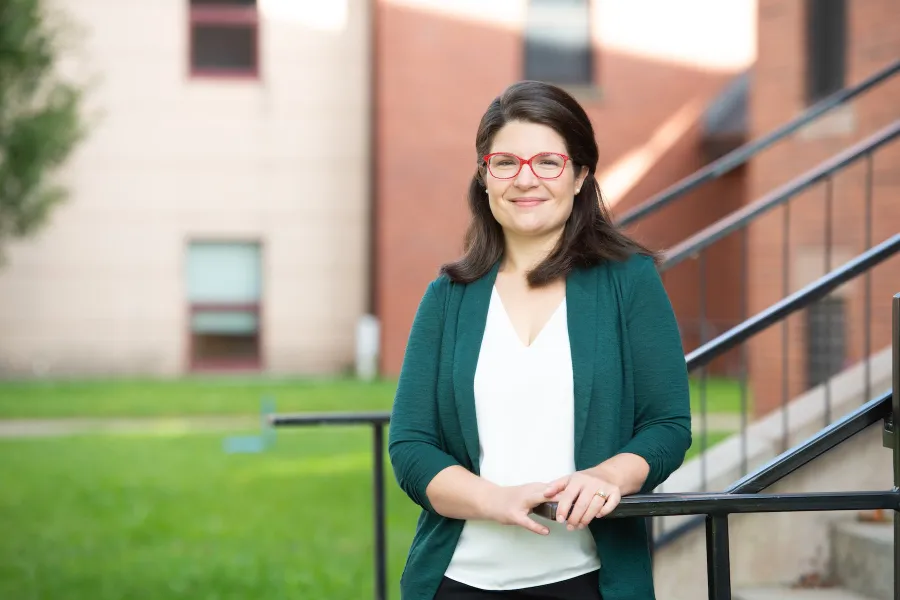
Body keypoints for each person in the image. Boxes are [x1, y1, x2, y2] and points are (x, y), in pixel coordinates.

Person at [388, 80, 692, 600]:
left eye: (548, 162)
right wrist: (494, 500)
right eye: (505, 163)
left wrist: (609, 476)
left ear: (580, 176)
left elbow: (667, 426)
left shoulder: (629, 282)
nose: (525, 179)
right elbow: (411, 445)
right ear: (484, 177)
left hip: (588, 579)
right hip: (457, 581)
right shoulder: (448, 297)